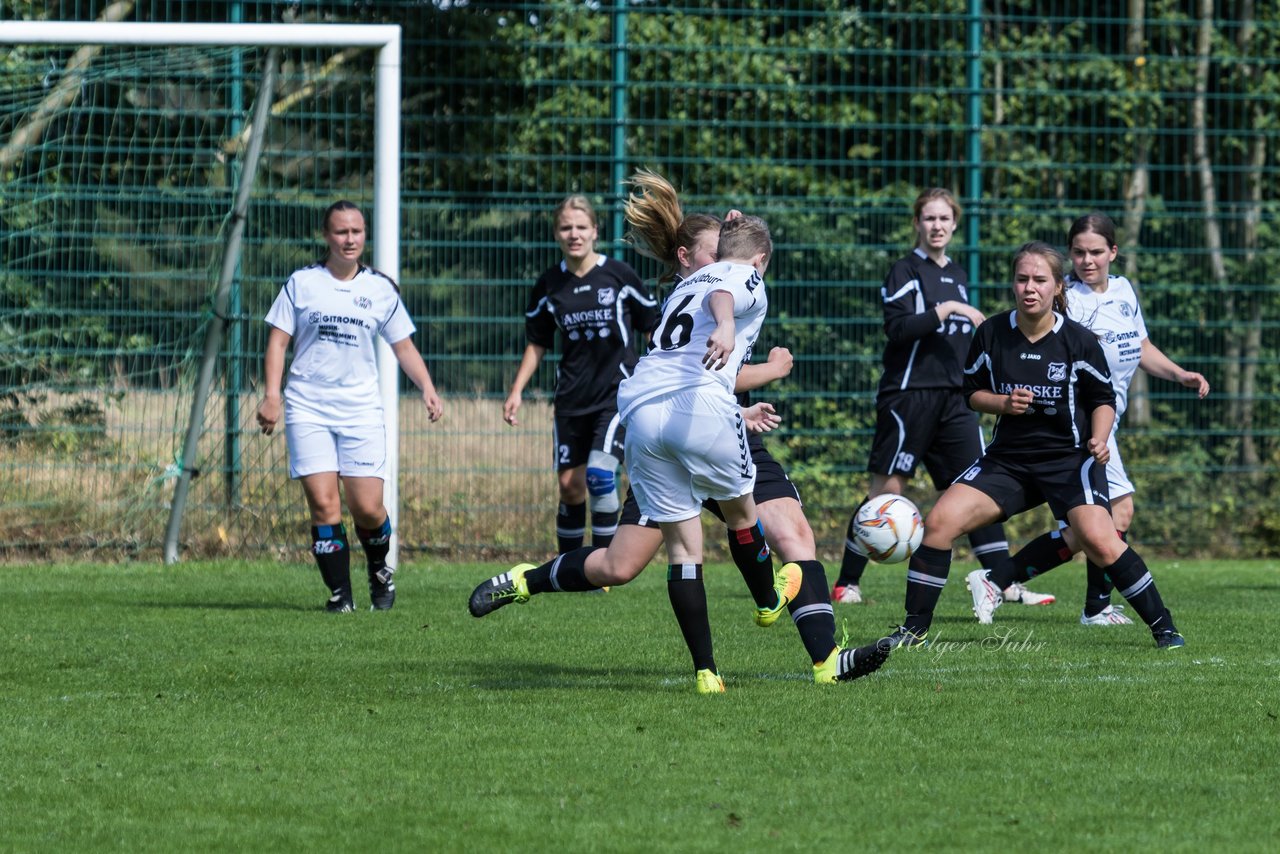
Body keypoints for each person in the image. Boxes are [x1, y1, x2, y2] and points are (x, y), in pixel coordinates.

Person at [470, 173, 888, 691]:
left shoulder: (707, 279)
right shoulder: (709, 286)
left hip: (696, 419)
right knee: (619, 566)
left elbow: (717, 367)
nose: (724, 265)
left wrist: (750, 395)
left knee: (794, 534)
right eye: (715, 255)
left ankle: (827, 660)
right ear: (687, 258)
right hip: (692, 422)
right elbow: (716, 330)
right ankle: (525, 580)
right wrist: (763, 362)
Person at [884, 241, 1183, 650]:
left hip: (1069, 460)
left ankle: (1165, 628)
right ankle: (913, 630)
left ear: (1058, 287)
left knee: (1099, 538)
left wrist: (1099, 436)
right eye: (1022, 279)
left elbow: (1103, 399)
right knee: (938, 524)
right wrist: (1003, 403)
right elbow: (971, 392)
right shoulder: (991, 333)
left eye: (1040, 280)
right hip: (1008, 462)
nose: (1030, 287)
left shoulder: (1078, 341)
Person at [975, 213, 1209, 626]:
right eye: (1079, 253)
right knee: (1115, 515)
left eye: (1096, 252)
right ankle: (1091, 605)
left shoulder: (1123, 291)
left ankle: (999, 579)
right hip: (1083, 426)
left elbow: (1140, 345)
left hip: (1108, 422)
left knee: (1100, 524)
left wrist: (1179, 374)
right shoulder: (1069, 300)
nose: (1088, 260)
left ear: (1113, 253)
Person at [832, 188, 1052, 609]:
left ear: (954, 225)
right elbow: (897, 329)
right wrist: (948, 308)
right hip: (909, 396)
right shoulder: (904, 271)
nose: (937, 226)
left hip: (956, 402)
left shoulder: (958, 273)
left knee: (977, 489)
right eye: (929, 218)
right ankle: (847, 583)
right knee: (887, 490)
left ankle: (1003, 583)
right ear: (917, 223)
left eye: (944, 219)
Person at [256, 200, 443, 612]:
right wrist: (273, 395)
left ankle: (380, 572)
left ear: (365, 235)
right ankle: (341, 596)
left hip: (359, 410)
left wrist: (426, 386)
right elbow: (278, 341)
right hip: (307, 406)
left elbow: (403, 345)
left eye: (356, 231)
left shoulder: (378, 289)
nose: (350, 239)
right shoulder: (302, 283)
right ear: (327, 236)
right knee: (325, 505)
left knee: (367, 508)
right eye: (341, 232)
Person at [504, 195, 658, 553]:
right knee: (571, 487)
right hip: (571, 398)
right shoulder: (548, 285)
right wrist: (516, 391)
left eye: (581, 227)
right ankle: (570, 568)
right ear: (557, 233)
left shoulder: (619, 275)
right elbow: (537, 342)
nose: (574, 234)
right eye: (566, 227)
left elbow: (654, 329)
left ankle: (603, 569)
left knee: (601, 475)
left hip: (617, 395)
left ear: (594, 232)